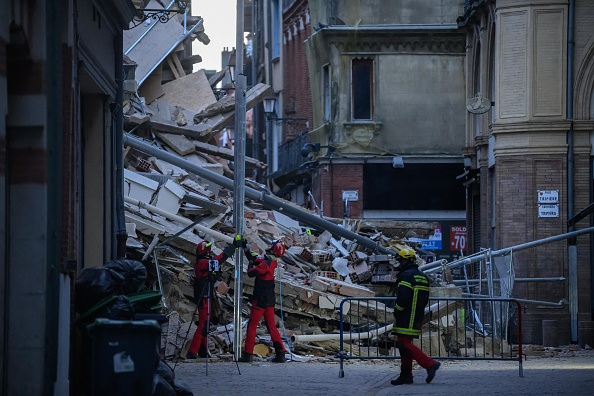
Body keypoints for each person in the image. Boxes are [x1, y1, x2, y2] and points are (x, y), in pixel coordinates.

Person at [391, 247, 441, 385]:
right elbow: (425, 299)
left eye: (400, 261)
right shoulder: (422, 277)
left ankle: (430, 364)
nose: (399, 264)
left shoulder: (406, 276)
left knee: (404, 344)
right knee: (404, 345)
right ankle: (406, 376)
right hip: (416, 316)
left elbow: (403, 297)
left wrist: (397, 310)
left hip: (406, 316)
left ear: (405, 261)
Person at [186, 239, 238, 359]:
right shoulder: (202, 262)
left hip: (206, 294)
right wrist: (232, 248)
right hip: (203, 295)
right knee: (204, 324)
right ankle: (193, 351)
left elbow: (215, 268)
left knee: (206, 323)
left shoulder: (202, 262)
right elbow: (219, 260)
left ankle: (203, 351)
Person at [238, 240, 288, 363]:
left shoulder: (266, 264)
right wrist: (246, 249)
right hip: (269, 299)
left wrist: (250, 263)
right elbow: (255, 258)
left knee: (252, 325)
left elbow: (251, 273)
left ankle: (248, 354)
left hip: (260, 299)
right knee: (271, 327)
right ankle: (281, 353)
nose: (268, 246)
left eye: (271, 246)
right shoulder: (271, 262)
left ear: (273, 250)